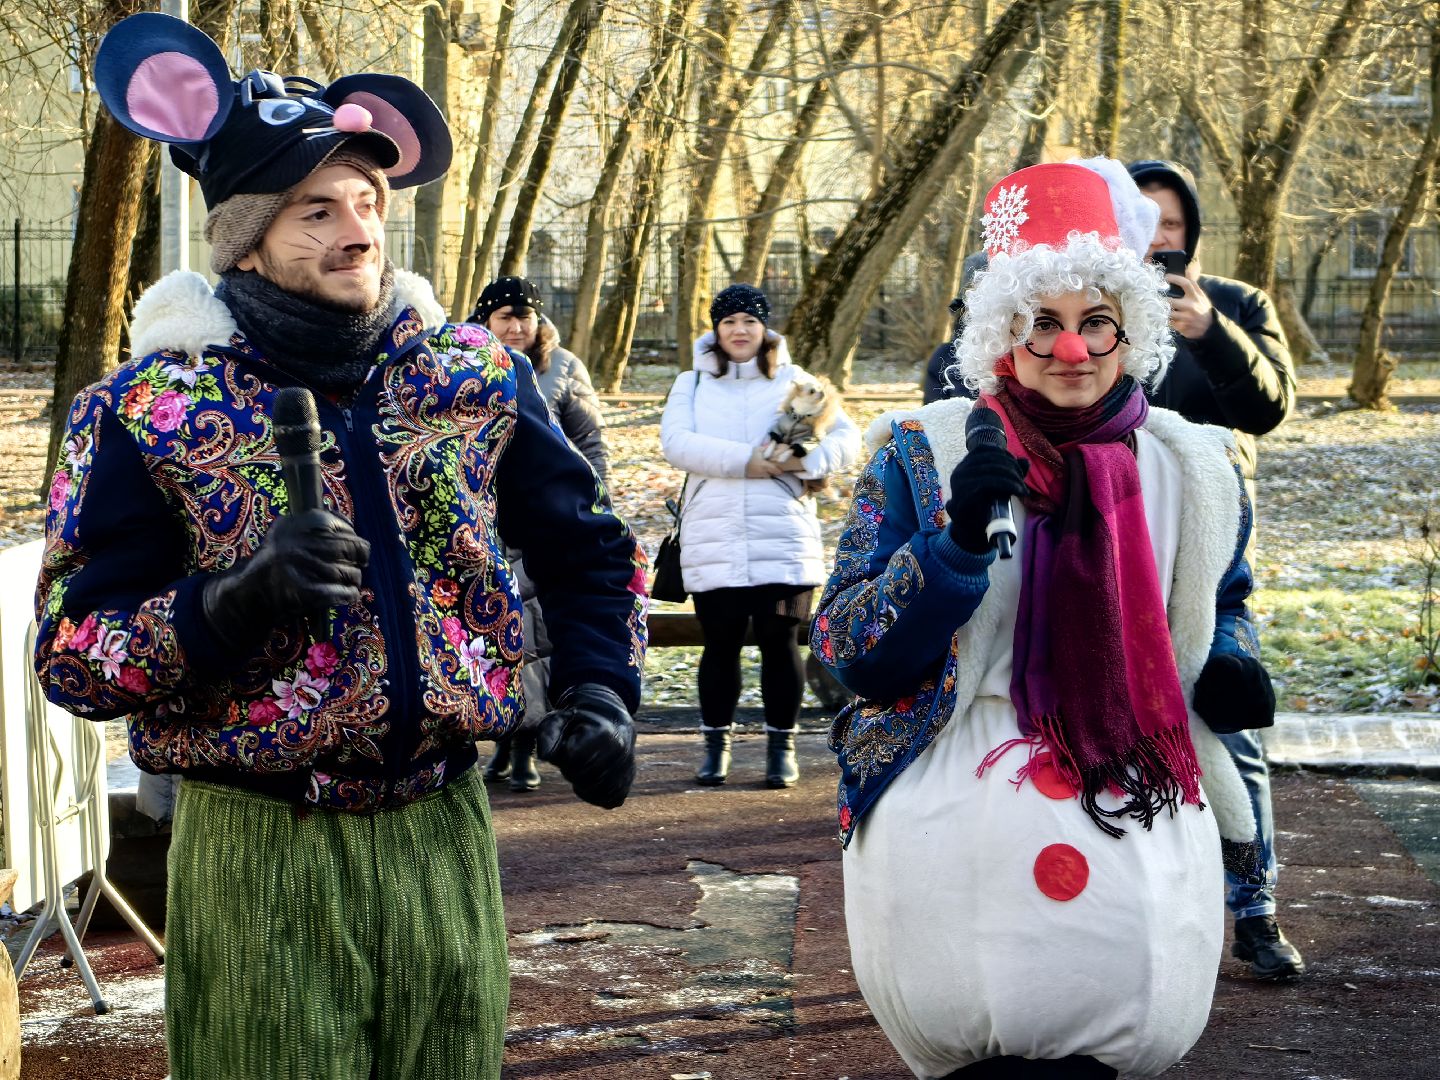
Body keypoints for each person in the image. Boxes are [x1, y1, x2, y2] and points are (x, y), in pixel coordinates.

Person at [36, 14, 647, 1079]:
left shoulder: (473, 378)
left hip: (443, 831)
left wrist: (601, 690)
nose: (358, 232)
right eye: (316, 211)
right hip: (258, 847)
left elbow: (590, 552)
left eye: (367, 203)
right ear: (245, 239)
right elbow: (72, 656)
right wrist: (227, 602)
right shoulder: (146, 411)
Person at [812, 159, 1272, 1078]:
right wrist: (948, 550)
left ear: (1129, 328)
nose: (1072, 350)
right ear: (1003, 337)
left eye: (1096, 321)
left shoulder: (1195, 469)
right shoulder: (923, 453)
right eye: (1040, 323)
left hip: (1136, 795)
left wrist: (1229, 658)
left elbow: (1220, 603)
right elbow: (847, 647)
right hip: (954, 819)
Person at [1129, 158, 1303, 981]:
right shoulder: (1095, 309)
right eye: (1141, 221)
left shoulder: (1236, 304)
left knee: (1229, 714)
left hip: (1212, 558)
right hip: (1115, 544)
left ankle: (1256, 908)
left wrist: (1210, 331)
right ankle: (1142, 909)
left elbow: (1270, 408)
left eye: (1170, 223)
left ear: (1190, 232)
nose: (1155, 238)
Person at [660, 283, 859, 787]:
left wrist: (803, 461)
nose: (739, 330)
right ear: (716, 329)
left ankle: (781, 748)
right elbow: (676, 442)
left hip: (783, 532)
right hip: (714, 531)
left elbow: (847, 438)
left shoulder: (797, 382)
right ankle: (716, 747)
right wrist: (745, 461)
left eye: (749, 321)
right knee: (720, 643)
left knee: (780, 640)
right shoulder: (692, 383)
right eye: (729, 321)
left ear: (764, 327)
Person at [467, 276, 612, 793]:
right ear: (485, 321)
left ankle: (526, 742)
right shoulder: (464, 365)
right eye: (504, 316)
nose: (516, 326)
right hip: (483, 520)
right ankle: (503, 736)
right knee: (495, 630)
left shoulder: (564, 368)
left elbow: (589, 441)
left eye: (524, 316)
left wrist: (596, 503)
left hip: (546, 520)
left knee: (540, 633)